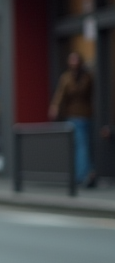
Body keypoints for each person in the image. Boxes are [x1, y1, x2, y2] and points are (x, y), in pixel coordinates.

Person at [49, 52, 97, 188]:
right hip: (72, 116)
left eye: (76, 60)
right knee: (79, 146)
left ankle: (84, 174)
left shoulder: (87, 77)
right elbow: (60, 94)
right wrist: (55, 107)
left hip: (85, 116)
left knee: (84, 146)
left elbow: (91, 92)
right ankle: (82, 174)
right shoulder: (66, 77)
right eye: (72, 60)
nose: (74, 63)